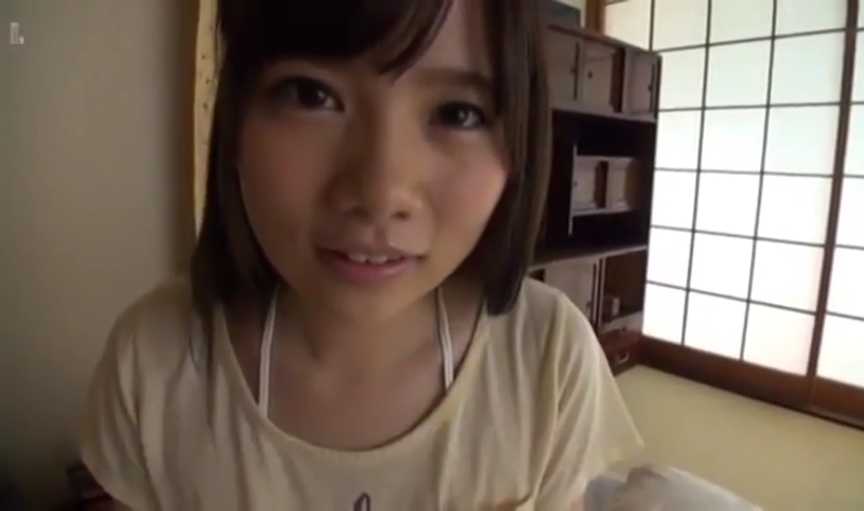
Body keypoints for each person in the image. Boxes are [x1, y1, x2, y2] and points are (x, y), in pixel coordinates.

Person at [79, 0, 644, 508]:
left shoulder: (548, 360)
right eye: (311, 94)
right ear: (234, 119)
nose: (379, 194)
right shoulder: (155, 361)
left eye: (457, 112)